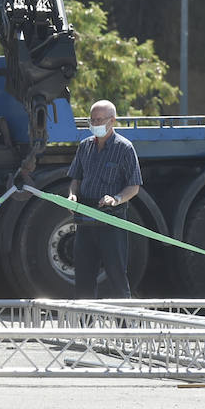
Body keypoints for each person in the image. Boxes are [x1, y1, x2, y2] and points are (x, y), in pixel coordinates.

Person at [66, 99, 143, 298]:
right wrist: (72, 195)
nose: (95, 124)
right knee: (83, 275)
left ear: (112, 121)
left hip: (112, 218)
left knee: (116, 274)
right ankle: (85, 326)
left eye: (99, 120)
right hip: (85, 219)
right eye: (92, 120)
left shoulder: (124, 148)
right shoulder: (84, 147)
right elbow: (76, 178)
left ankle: (125, 326)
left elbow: (134, 187)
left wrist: (115, 199)